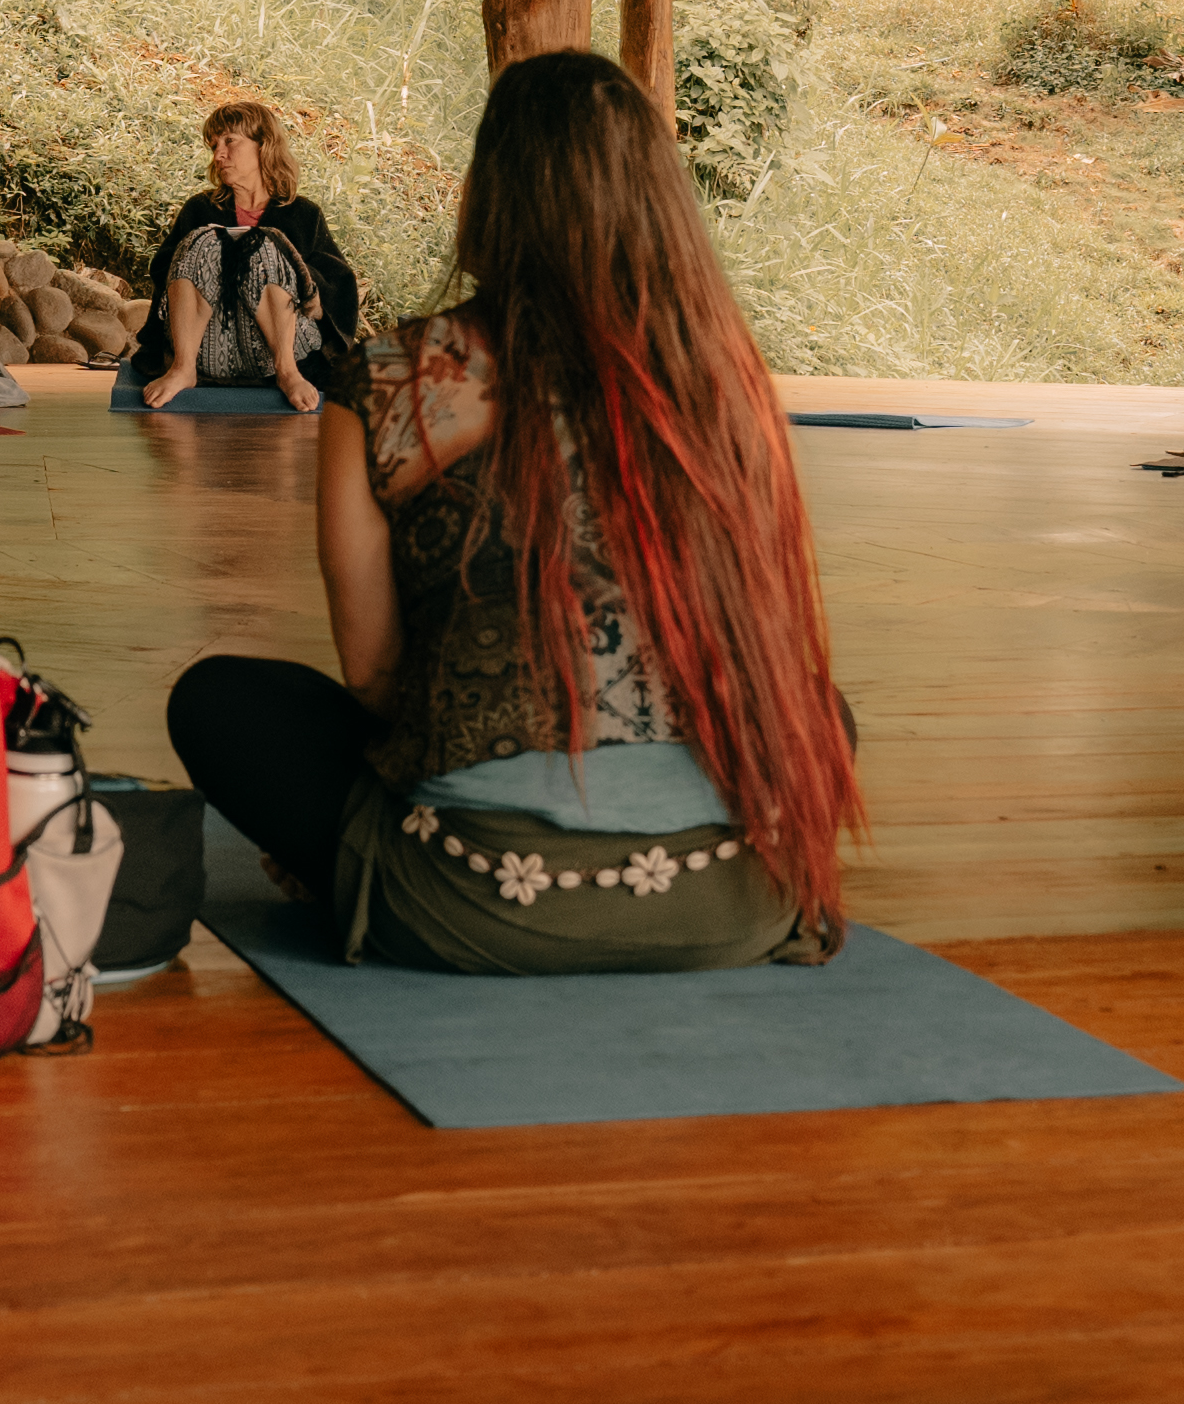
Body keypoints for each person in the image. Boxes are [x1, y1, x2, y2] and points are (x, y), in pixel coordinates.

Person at [162, 50, 861, 971]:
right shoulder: (726, 384)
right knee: (825, 708)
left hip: (475, 897)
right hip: (737, 896)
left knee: (222, 702)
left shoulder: (391, 380)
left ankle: (375, 861)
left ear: (489, 195)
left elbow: (373, 676)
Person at [131, 97, 363, 414]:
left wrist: (275, 267)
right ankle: (183, 370)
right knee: (202, 238)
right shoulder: (199, 209)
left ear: (263, 145)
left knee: (266, 244)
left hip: (277, 349)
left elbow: (337, 285)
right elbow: (165, 274)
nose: (219, 154)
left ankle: (287, 373)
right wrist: (217, 261)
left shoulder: (303, 214)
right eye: (214, 146)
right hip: (207, 345)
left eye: (229, 141)